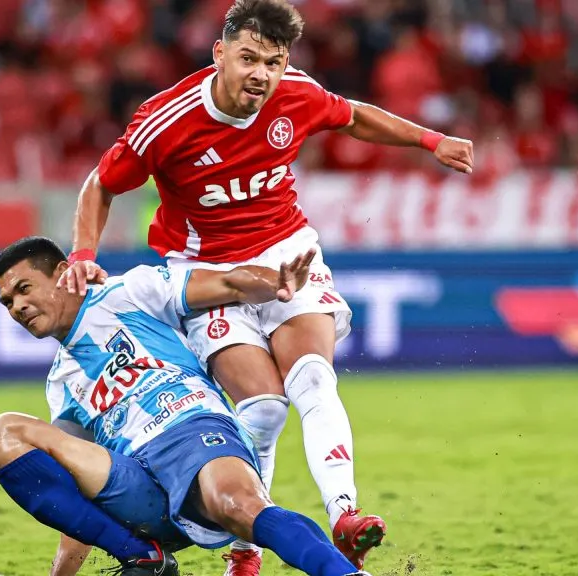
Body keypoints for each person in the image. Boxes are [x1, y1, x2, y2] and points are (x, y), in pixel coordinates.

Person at [58, 0, 476, 572]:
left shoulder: (296, 94)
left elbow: (351, 115)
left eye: (274, 63)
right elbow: (99, 185)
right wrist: (84, 254)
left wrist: (431, 142)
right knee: (262, 410)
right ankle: (245, 549)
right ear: (220, 53)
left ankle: (345, 514)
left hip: (287, 251)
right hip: (205, 274)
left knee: (313, 378)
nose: (261, 74)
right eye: (249, 58)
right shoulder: (167, 119)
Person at [0, 235, 369, 576]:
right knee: (3, 434)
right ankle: (142, 558)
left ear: (64, 273)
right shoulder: (60, 384)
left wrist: (275, 283)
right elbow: (75, 500)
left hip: (192, 431)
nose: (17, 306)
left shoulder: (128, 292)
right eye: (7, 301)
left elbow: (225, 282)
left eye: (24, 289)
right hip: (137, 483)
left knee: (238, 506)